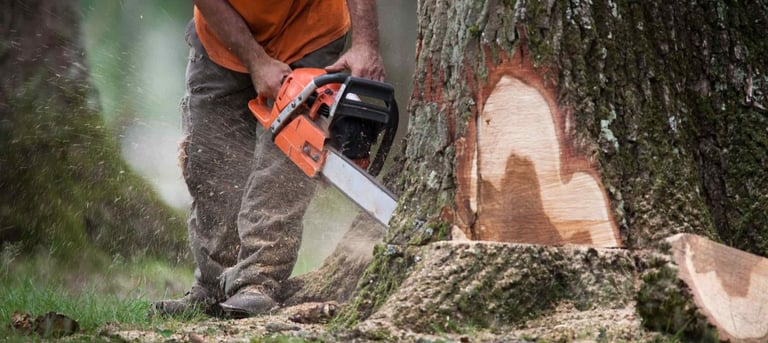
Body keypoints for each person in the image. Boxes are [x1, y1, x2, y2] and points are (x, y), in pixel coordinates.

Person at [153, 0, 385, 317]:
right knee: (210, 161)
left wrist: (365, 44)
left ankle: (257, 281)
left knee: (284, 165)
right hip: (220, 37)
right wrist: (256, 61)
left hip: (310, 29)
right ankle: (213, 283)